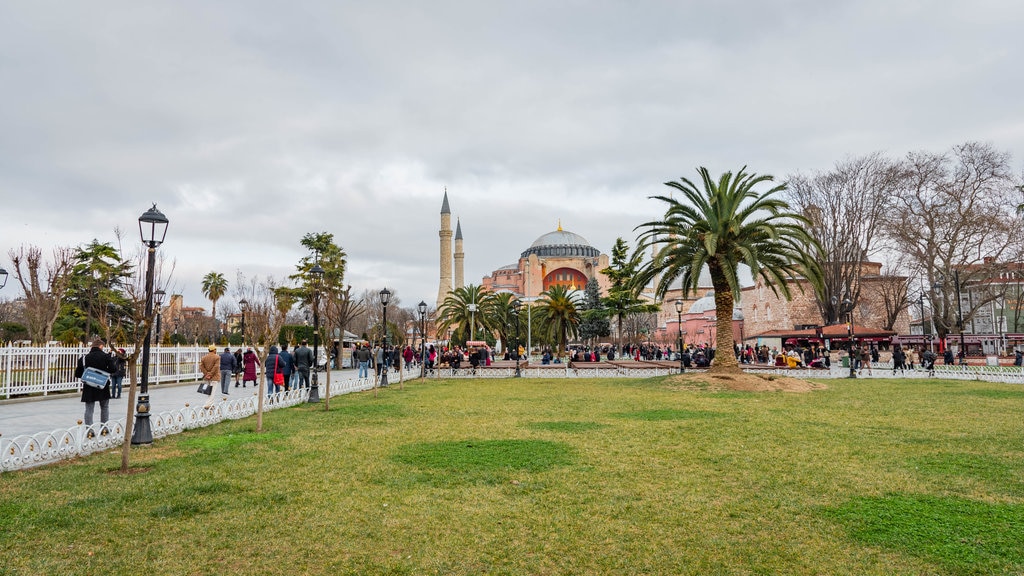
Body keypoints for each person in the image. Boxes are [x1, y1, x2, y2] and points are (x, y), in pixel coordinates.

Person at [75, 338, 116, 427]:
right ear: (101, 346)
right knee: (104, 407)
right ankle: (104, 428)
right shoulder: (106, 357)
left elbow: (78, 374)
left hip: (89, 385)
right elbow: (113, 369)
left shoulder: (84, 358)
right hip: (102, 384)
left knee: (89, 409)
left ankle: (89, 430)